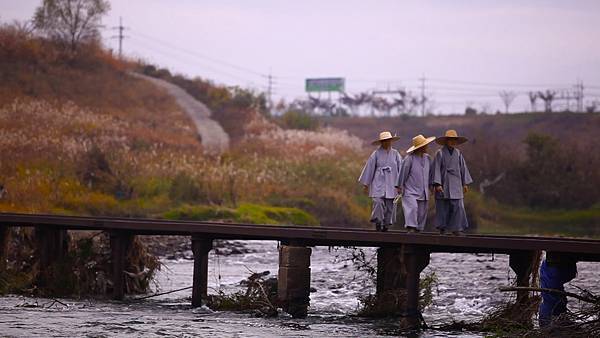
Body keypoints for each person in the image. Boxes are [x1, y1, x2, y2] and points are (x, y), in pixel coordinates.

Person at [358, 131, 403, 231]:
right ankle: (378, 222)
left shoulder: (396, 154)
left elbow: (401, 169)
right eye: (384, 141)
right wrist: (366, 185)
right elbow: (369, 168)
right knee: (377, 202)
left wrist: (400, 185)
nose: (387, 143)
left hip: (392, 183)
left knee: (390, 206)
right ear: (381, 142)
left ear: (391, 141)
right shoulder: (375, 154)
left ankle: (386, 226)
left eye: (388, 141)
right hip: (379, 182)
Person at [432, 130, 473, 235]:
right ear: (446, 141)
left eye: (454, 140)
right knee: (442, 207)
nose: (452, 142)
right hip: (443, 183)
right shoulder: (439, 153)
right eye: (450, 140)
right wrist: (437, 184)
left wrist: (465, 183)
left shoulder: (458, 153)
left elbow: (463, 168)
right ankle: (443, 228)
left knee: (458, 207)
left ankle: (457, 229)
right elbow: (436, 169)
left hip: (456, 182)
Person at [396, 134, 436, 233]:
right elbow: (403, 173)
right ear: (420, 147)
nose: (427, 147)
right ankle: (411, 227)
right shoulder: (409, 159)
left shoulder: (428, 159)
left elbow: (431, 173)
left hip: (423, 190)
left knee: (422, 211)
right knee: (412, 208)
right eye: (425, 145)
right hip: (410, 190)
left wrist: (431, 186)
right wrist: (399, 186)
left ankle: (418, 229)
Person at [539, 254, 578, 327]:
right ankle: (558, 321)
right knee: (553, 297)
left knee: (550, 298)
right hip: (567, 262)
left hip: (556, 263)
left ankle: (549, 324)